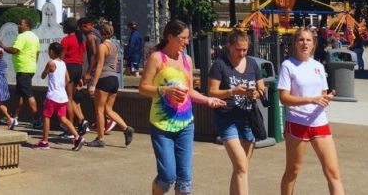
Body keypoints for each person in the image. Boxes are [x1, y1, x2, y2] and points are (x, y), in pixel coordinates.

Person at [139, 19, 225, 195]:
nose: (186, 42)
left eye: (188, 38)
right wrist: (165, 90)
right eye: (183, 38)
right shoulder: (157, 58)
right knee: (167, 177)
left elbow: (190, 92)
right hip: (161, 125)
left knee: (185, 180)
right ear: (170, 37)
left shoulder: (187, 60)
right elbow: (143, 88)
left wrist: (207, 100)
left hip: (186, 124)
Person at [278, 27, 345, 195]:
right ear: (295, 43)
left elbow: (322, 93)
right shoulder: (288, 66)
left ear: (314, 44)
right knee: (292, 171)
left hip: (320, 122)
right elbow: (284, 98)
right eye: (301, 40)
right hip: (297, 123)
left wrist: (326, 98)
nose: (304, 43)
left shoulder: (318, 67)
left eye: (308, 40)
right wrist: (310, 99)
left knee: (333, 172)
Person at [207, 29, 266, 195]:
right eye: (238, 49)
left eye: (245, 50)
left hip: (248, 117)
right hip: (227, 118)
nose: (241, 53)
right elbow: (212, 92)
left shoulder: (252, 64)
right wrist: (233, 92)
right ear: (229, 46)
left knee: (242, 168)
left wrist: (256, 92)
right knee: (241, 166)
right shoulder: (220, 64)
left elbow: (261, 87)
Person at [86, 22, 134, 148]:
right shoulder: (115, 46)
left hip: (104, 79)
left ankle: (100, 139)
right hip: (114, 79)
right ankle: (126, 128)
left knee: (99, 111)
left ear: (101, 33)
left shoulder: (102, 46)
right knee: (108, 109)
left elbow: (100, 65)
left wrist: (93, 84)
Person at [36, 42, 83, 151]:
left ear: (52, 51)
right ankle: (77, 137)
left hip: (52, 96)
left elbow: (43, 76)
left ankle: (45, 141)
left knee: (46, 117)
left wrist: (47, 73)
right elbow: (67, 80)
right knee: (63, 118)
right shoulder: (63, 64)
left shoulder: (51, 63)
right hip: (63, 96)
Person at [1, 17, 41, 130]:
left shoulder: (22, 36)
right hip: (29, 68)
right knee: (19, 95)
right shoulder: (35, 37)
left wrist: (3, 47)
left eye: (20, 24)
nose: (18, 26)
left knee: (28, 94)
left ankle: (37, 119)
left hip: (23, 69)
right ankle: (14, 117)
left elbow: (15, 50)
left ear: (27, 26)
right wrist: (33, 63)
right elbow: (37, 52)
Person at [59, 18, 91, 135]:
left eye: (64, 26)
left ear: (68, 28)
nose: (62, 28)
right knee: (71, 98)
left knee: (69, 98)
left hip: (69, 67)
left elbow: (61, 59)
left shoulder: (66, 40)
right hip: (78, 68)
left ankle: (71, 127)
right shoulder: (80, 39)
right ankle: (79, 122)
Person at [0, 48, 13, 125]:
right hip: (2, 81)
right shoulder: (3, 61)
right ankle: (9, 117)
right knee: (0, 102)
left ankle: (9, 118)